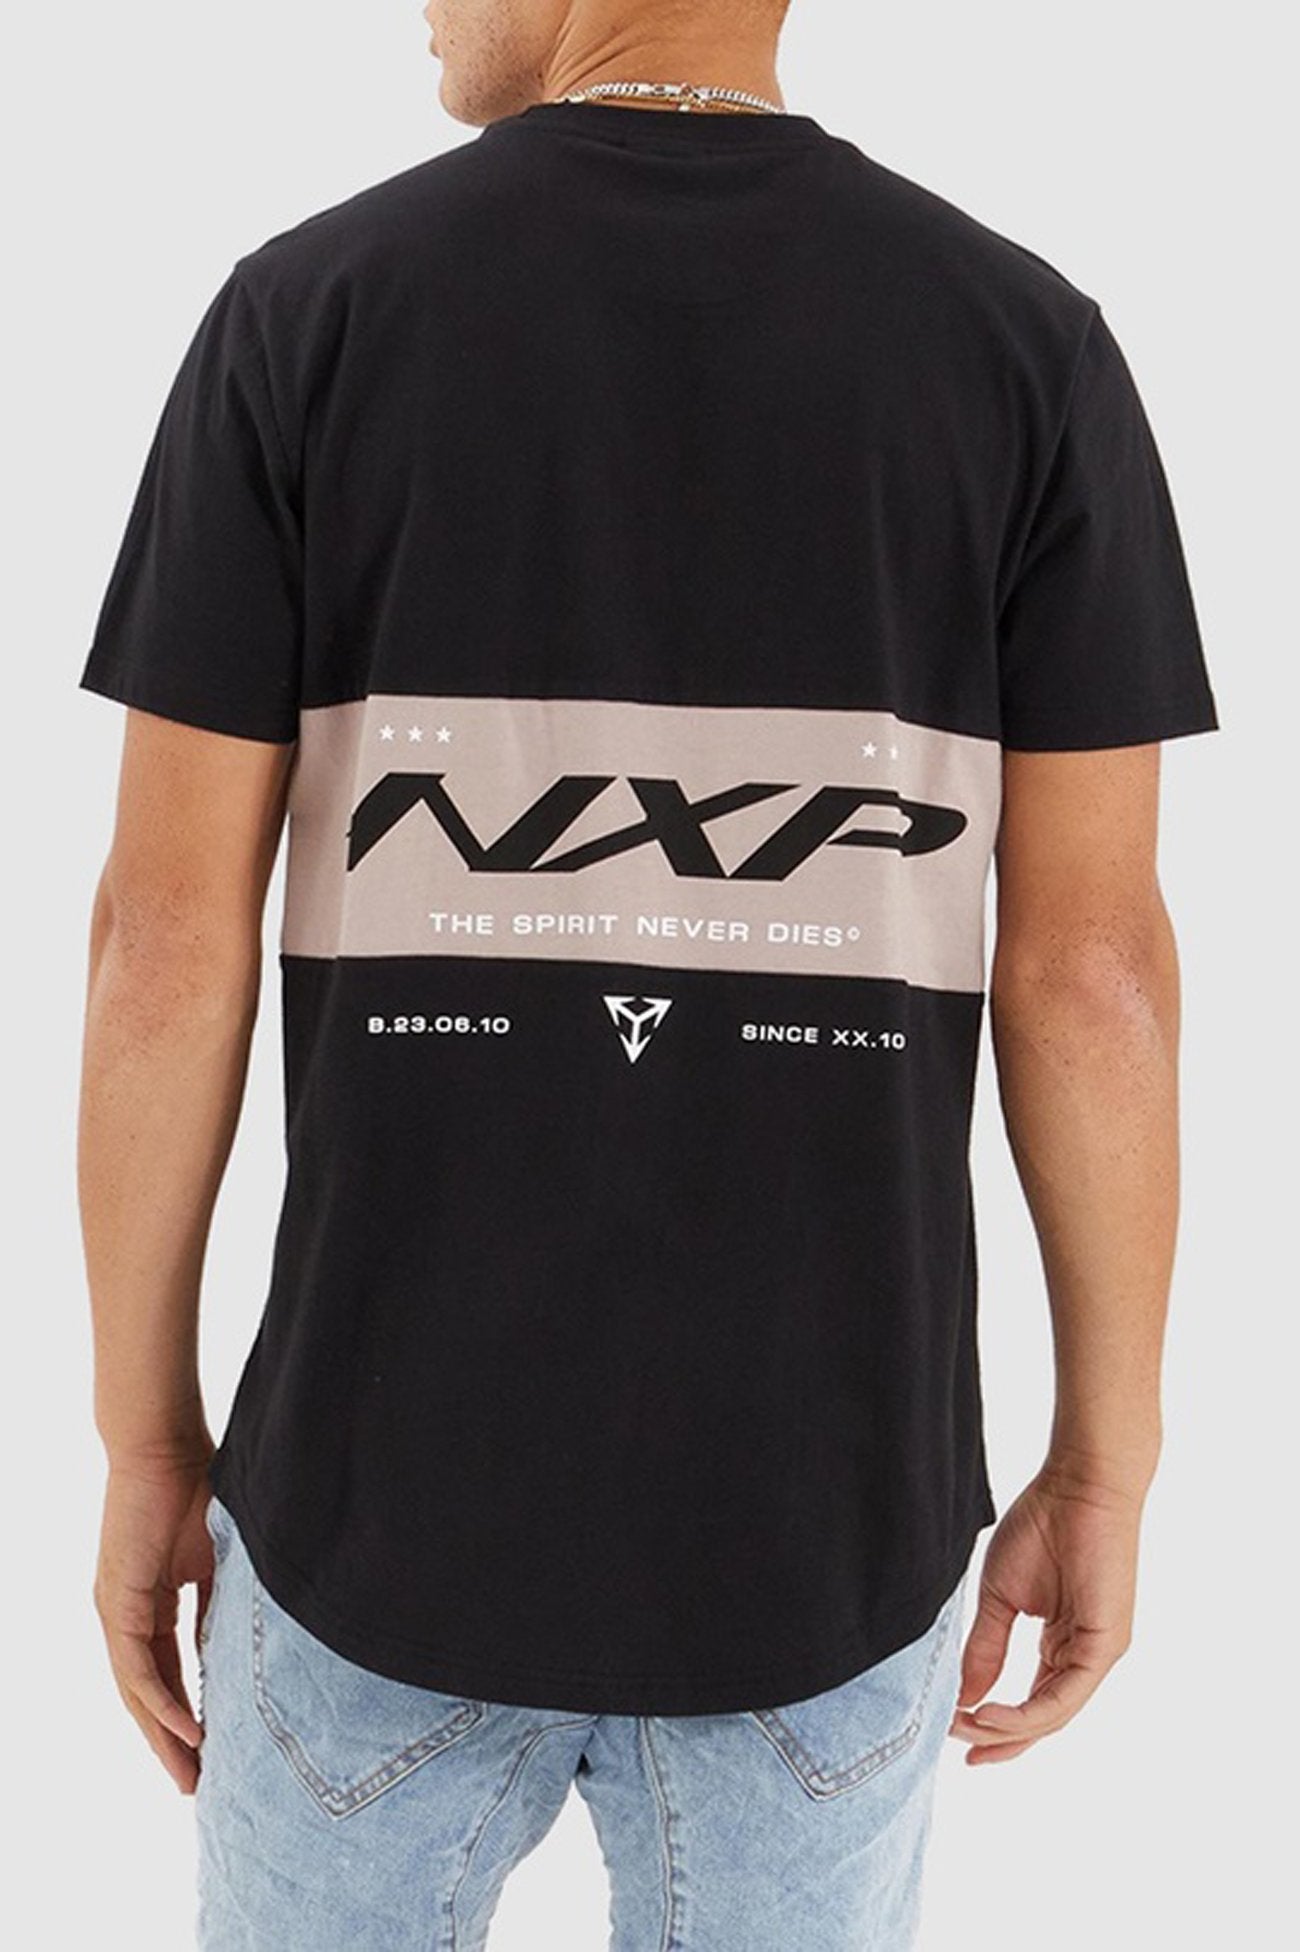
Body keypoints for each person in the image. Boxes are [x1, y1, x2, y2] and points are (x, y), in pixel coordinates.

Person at [76, 1, 1220, 1945]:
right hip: (822, 1544)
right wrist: (1105, 1465)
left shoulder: (307, 317)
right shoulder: (1021, 348)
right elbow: (1091, 973)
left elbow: (160, 952)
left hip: (371, 1520)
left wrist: (142, 1438)